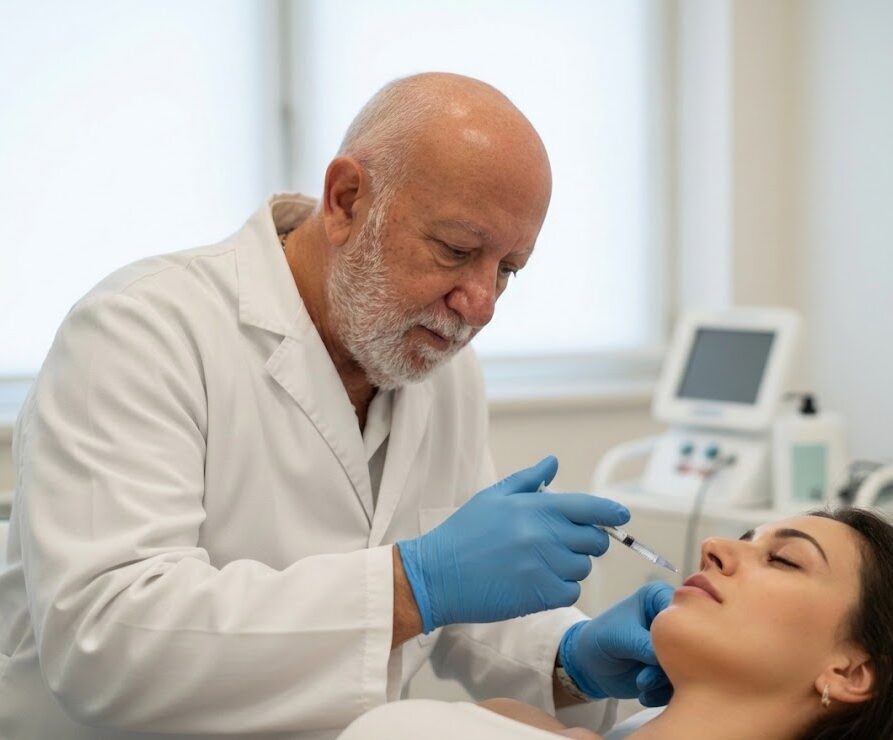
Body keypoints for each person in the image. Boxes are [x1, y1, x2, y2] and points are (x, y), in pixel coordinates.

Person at [0, 72, 674, 739]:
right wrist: (410, 584)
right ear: (347, 200)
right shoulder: (139, 331)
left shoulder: (439, 364)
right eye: (456, 250)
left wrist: (571, 659)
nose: (480, 306)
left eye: (506, 270)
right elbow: (107, 644)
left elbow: (462, 610)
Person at [339, 507, 893, 739]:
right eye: (745, 539)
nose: (714, 546)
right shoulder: (503, 722)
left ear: (850, 672)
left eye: (784, 560)